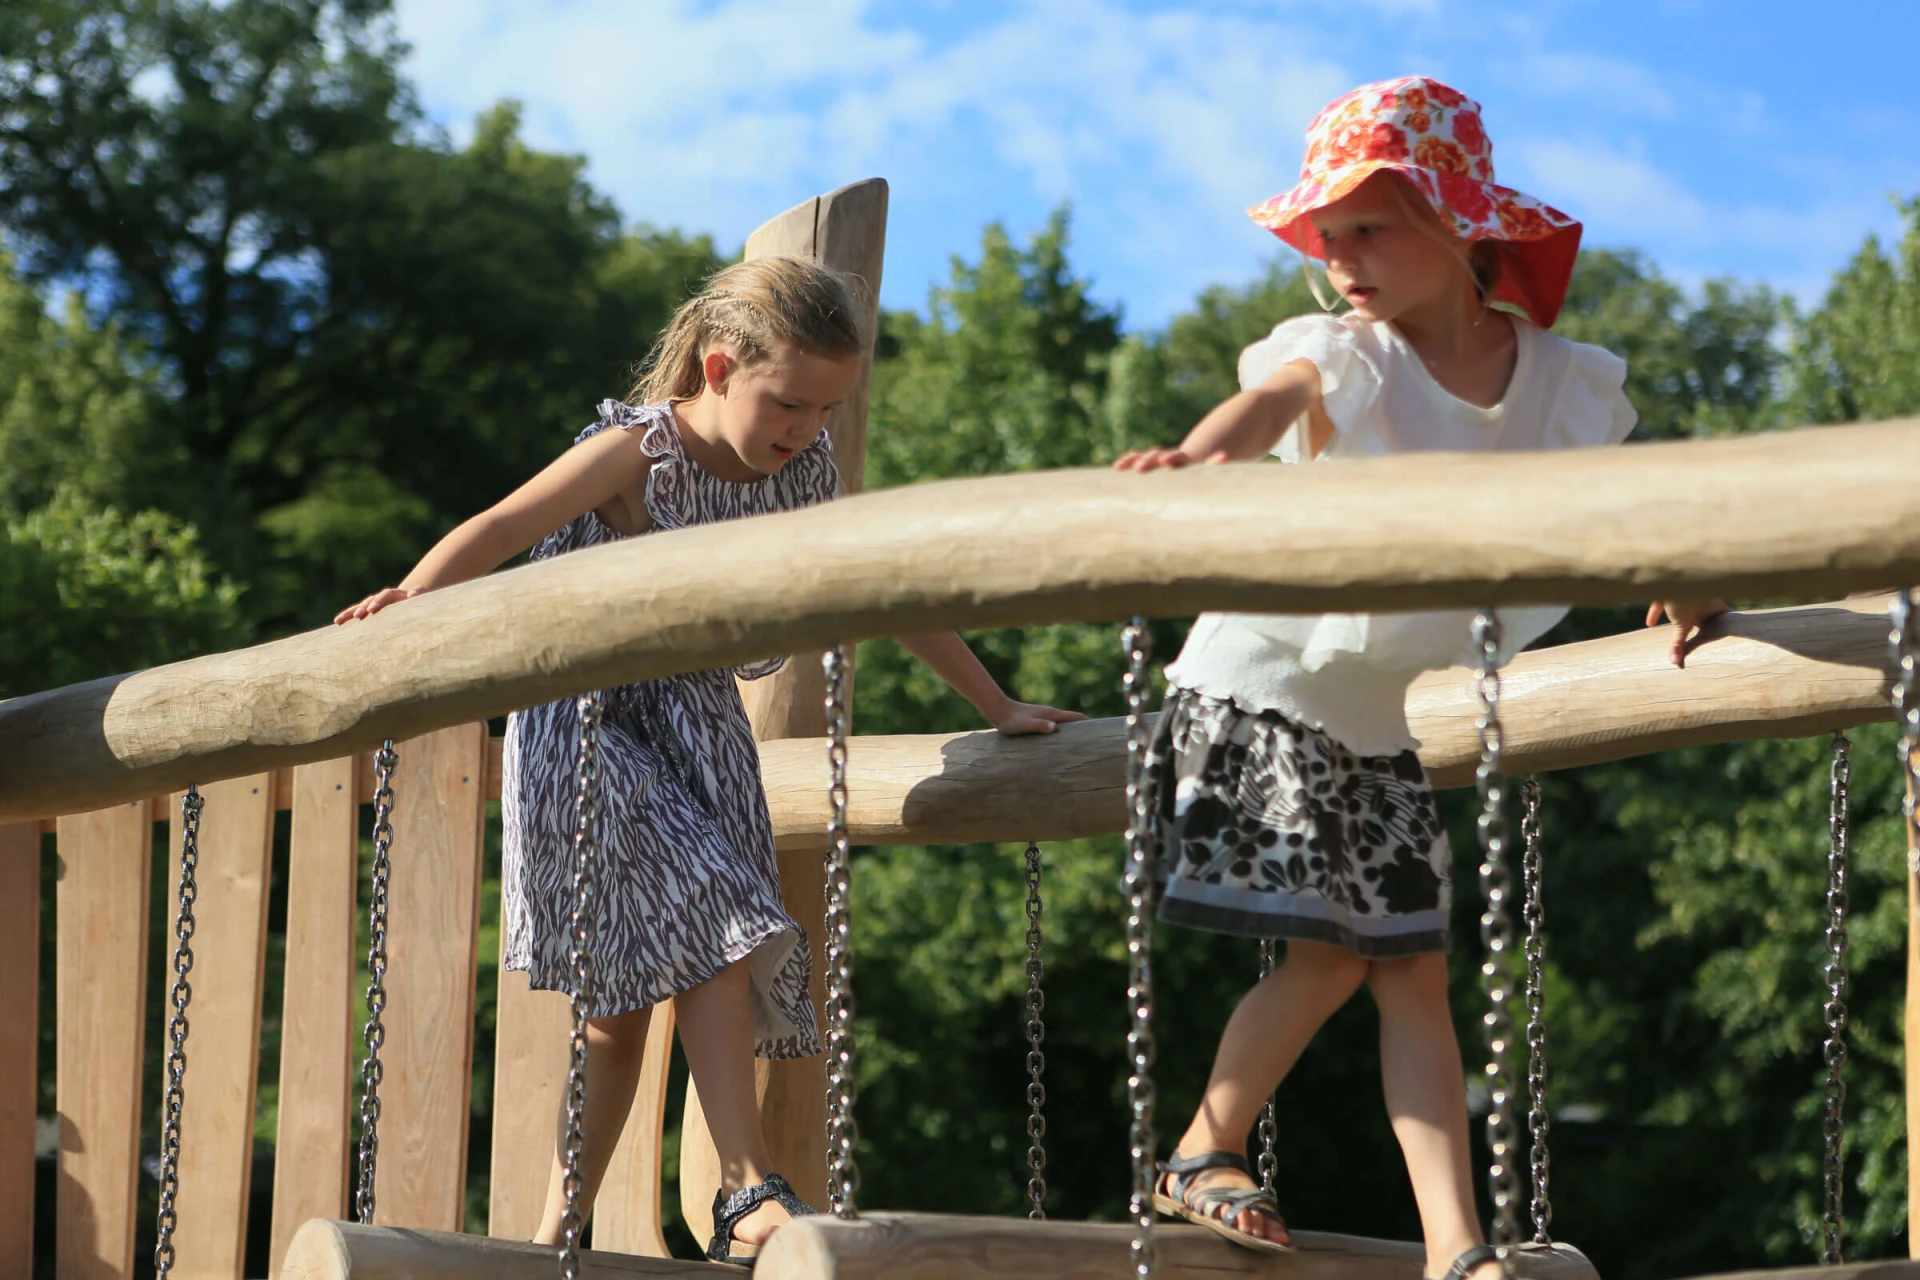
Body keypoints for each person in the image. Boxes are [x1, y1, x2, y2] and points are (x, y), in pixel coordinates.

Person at [336, 256, 1084, 1263]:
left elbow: (882, 590)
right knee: (721, 927)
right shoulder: (632, 453)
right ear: (719, 365)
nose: (806, 429)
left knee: (620, 1014)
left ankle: (555, 1236)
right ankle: (745, 1185)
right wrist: (405, 603)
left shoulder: (804, 475)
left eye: (827, 410)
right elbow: (504, 523)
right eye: (789, 402)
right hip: (589, 733)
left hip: (698, 738)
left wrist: (994, 702)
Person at [1112, 76, 1723, 1280]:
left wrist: (1691, 584)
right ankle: (1204, 1143)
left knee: (1417, 970)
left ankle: (1456, 1246)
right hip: (1270, 676)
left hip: (1378, 711)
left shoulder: (1557, 382)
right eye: (1325, 239)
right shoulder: (1347, 357)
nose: (1341, 260)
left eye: (1369, 230)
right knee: (1340, 953)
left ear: (1455, 223)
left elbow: (1621, 508)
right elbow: (1269, 401)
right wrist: (1192, 457)